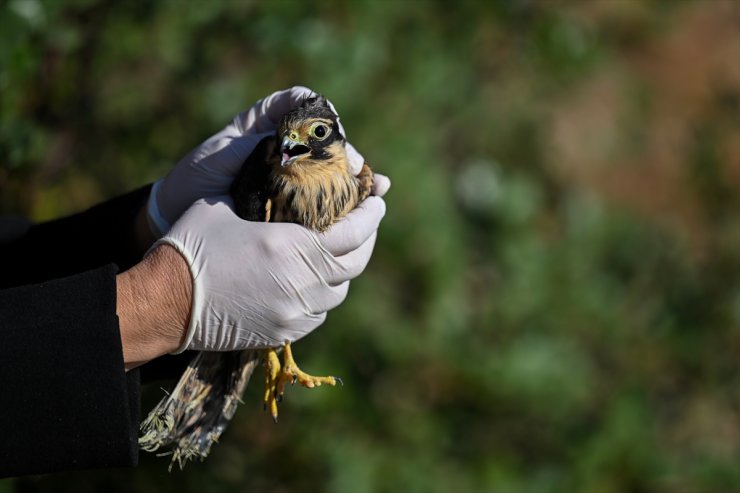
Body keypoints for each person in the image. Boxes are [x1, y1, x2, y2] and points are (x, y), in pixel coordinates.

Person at [0, 87, 389, 478]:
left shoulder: (356, 180)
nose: (294, 143)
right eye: (288, 135)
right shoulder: (269, 179)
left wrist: (145, 228)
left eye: (317, 133)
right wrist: (162, 304)